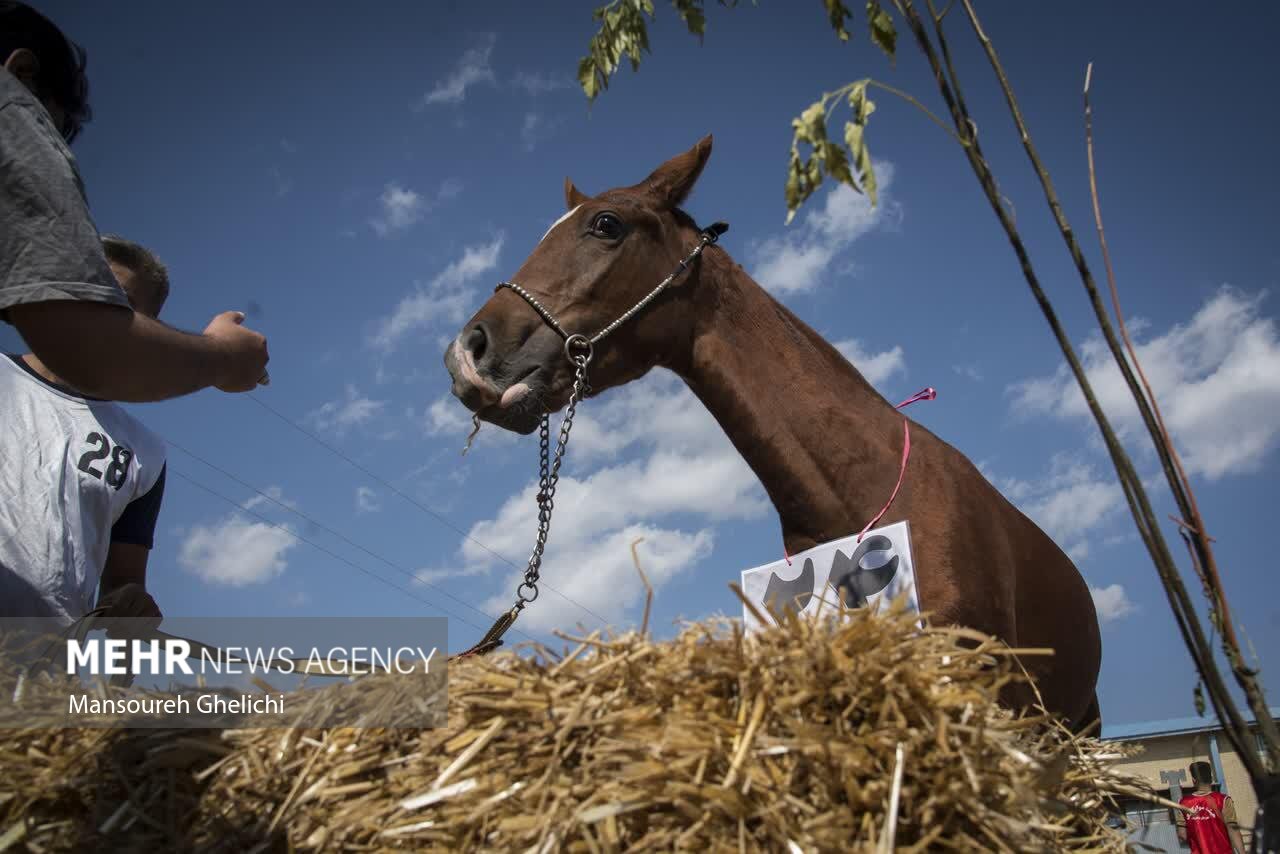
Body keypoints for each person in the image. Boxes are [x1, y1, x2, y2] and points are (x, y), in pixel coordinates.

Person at [1, 1, 269, 402]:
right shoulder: (10, 109)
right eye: (50, 128)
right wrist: (227, 355)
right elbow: (92, 349)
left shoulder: (141, 450)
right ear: (22, 73)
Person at [0, 235, 177, 626]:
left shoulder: (145, 453)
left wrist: (131, 608)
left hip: (41, 678)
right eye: (86, 292)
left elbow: (123, 583)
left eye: (120, 306)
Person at [1176, 760, 1247, 854]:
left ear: (1194, 780)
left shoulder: (1183, 803)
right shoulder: (1223, 800)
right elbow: (1233, 831)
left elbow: (1182, 835)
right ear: (1211, 778)